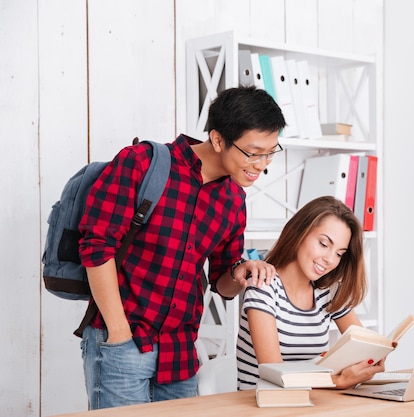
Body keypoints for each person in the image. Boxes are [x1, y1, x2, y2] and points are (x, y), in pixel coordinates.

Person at [78, 86, 286, 409]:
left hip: (180, 355)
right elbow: (96, 247)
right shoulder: (143, 163)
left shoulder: (234, 201)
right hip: (123, 341)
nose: (262, 164)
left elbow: (222, 283)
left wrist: (240, 272)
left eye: (271, 152)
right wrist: (118, 333)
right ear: (218, 140)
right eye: (253, 152)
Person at [236, 195, 385, 390]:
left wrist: (373, 358)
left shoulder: (327, 292)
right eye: (324, 244)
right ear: (300, 233)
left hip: (311, 402)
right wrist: (336, 381)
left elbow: (365, 348)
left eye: (339, 253)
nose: (330, 259)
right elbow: (275, 373)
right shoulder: (262, 286)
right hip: (262, 405)